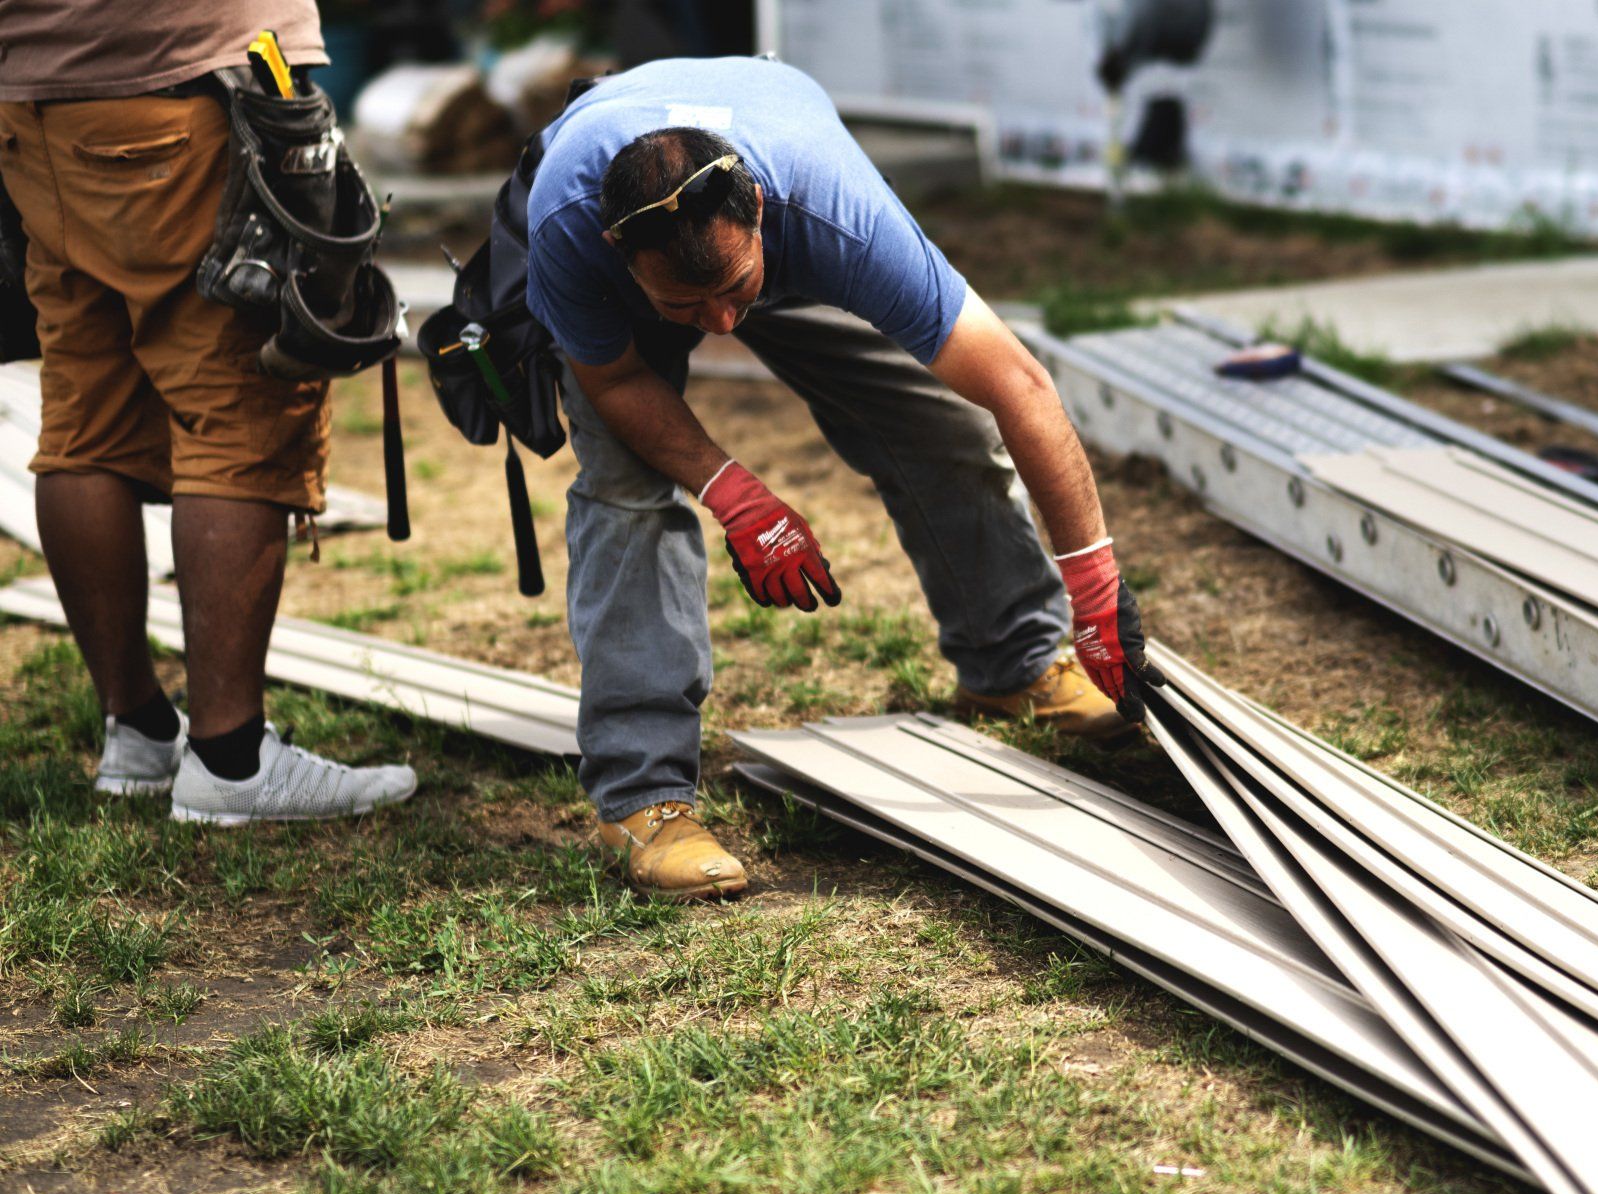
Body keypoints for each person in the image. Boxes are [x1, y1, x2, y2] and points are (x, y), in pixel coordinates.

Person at [525, 56, 1162, 902]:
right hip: (641, 263)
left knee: (938, 423)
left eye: (731, 292)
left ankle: (1012, 661)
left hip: (789, 216)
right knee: (628, 492)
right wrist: (733, 491)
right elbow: (614, 384)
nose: (719, 328)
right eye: (688, 308)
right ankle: (644, 798)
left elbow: (1018, 382)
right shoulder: (569, 223)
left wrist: (1095, 584)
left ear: (754, 210)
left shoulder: (834, 211)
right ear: (619, 251)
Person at [0, 1, 417, 822]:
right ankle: (230, 759)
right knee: (242, 404)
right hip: (175, 81)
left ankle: (139, 730)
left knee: (86, 416)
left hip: (35, 99)